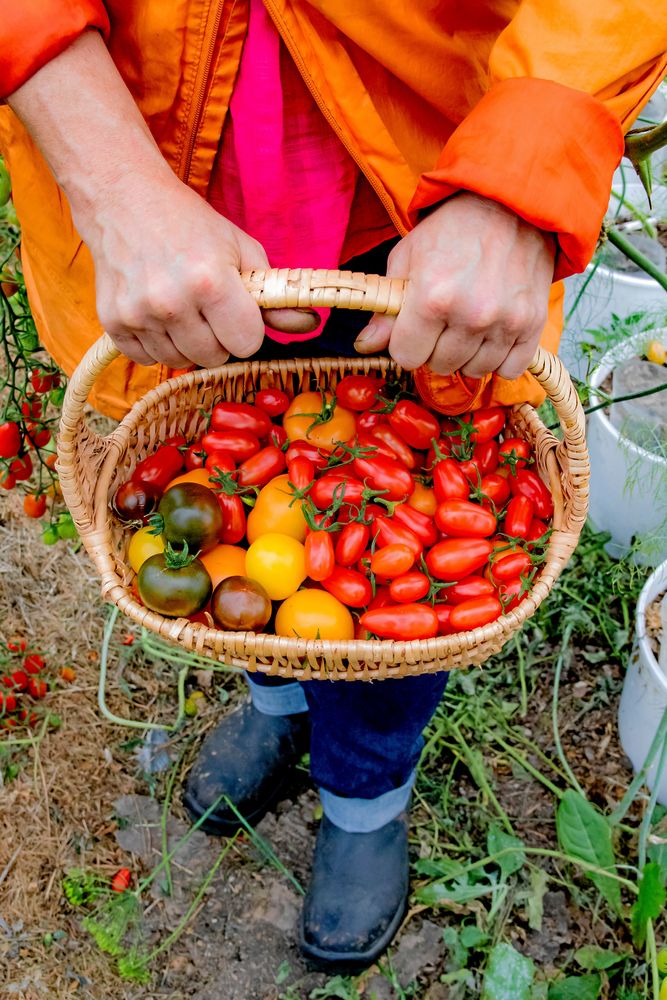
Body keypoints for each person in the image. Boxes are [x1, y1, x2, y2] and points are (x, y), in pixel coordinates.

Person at [1, 0, 666, 972]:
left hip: (421, 166)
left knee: (382, 630)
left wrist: (525, 160)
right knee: (236, 559)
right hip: (161, 153)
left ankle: (365, 796)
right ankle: (274, 706)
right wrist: (106, 173)